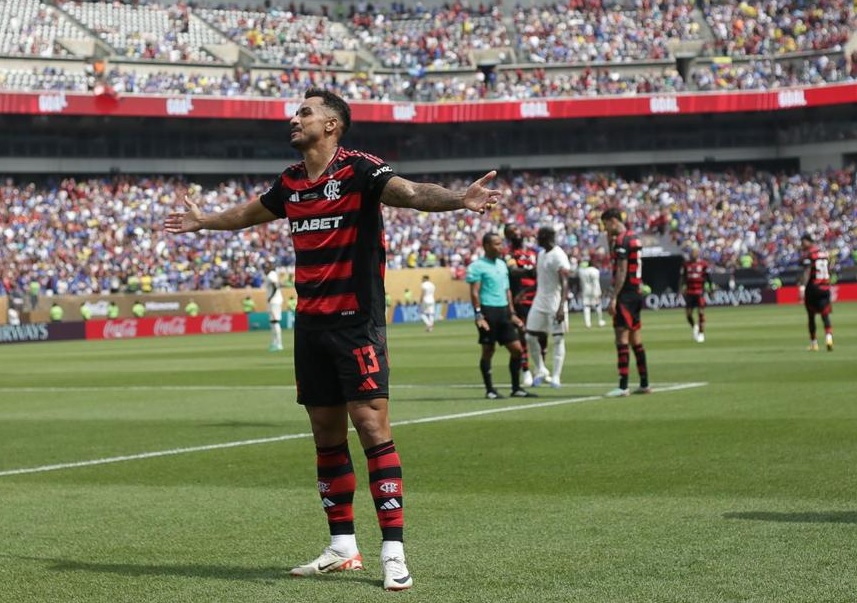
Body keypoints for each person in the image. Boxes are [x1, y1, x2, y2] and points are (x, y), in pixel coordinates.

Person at [164, 87, 501, 592]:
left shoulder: (360, 169)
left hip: (355, 322)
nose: (293, 119)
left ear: (331, 126)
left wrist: (459, 200)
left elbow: (408, 193)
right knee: (325, 433)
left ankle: (393, 552)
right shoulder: (292, 182)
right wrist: (205, 220)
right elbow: (250, 213)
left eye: (304, 113)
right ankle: (342, 546)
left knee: (371, 425)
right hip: (312, 326)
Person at [466, 232, 537, 400]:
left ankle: (516, 388)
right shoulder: (477, 266)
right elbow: (474, 293)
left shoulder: (502, 264)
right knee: (488, 351)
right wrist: (478, 315)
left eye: (501, 243)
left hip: (504, 311)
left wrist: (512, 313)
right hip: (488, 311)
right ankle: (490, 390)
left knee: (517, 350)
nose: (500, 247)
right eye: (496, 244)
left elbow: (507, 291)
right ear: (486, 246)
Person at [601, 208, 651, 397]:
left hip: (626, 294)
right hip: (636, 292)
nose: (604, 229)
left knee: (621, 339)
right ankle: (644, 383)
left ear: (613, 221)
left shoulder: (622, 240)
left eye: (605, 224)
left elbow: (621, 271)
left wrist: (614, 297)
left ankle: (623, 386)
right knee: (636, 340)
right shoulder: (633, 237)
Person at [525, 226, 572, 388]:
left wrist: (561, 307)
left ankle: (557, 376)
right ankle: (541, 370)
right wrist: (525, 292)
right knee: (529, 336)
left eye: (538, 236)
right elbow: (541, 279)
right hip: (540, 300)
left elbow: (565, 283)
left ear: (545, 237)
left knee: (558, 339)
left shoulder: (559, 256)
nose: (537, 239)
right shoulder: (541, 254)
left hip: (555, 301)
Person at [504, 223, 545, 387]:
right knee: (524, 335)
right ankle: (526, 370)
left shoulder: (532, 252)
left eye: (518, 230)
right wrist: (531, 272)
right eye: (512, 232)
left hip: (537, 297)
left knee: (541, 335)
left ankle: (540, 369)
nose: (517, 233)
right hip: (521, 298)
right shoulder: (508, 254)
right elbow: (513, 270)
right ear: (508, 236)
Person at [799, 234, 834, 351]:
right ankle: (829, 338)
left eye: (803, 242)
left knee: (811, 316)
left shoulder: (810, 254)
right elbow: (830, 268)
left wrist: (802, 287)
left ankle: (814, 343)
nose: (801, 245)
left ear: (808, 241)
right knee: (825, 315)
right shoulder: (824, 253)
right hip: (825, 288)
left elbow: (807, 270)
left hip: (813, 288)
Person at [679, 247, 711, 343]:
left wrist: (711, 288)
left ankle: (701, 333)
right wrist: (681, 288)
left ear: (698, 254)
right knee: (688, 314)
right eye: (692, 253)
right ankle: (694, 327)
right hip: (689, 292)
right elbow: (682, 277)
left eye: (695, 253)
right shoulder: (686, 265)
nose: (693, 254)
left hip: (699, 292)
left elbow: (708, 277)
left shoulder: (703, 264)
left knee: (701, 312)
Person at [578, 259, 605, 329]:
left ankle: (588, 323)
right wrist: (598, 291)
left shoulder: (582, 271)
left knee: (586, 306)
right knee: (597, 305)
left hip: (586, 290)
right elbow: (596, 282)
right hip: (595, 289)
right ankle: (600, 321)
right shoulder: (596, 271)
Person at [266, 263, 284, 352]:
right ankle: (274, 342)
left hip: (274, 301)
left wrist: (271, 297)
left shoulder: (271, 275)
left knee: (275, 321)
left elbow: (275, 286)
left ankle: (279, 344)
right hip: (275, 300)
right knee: (273, 322)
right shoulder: (274, 274)